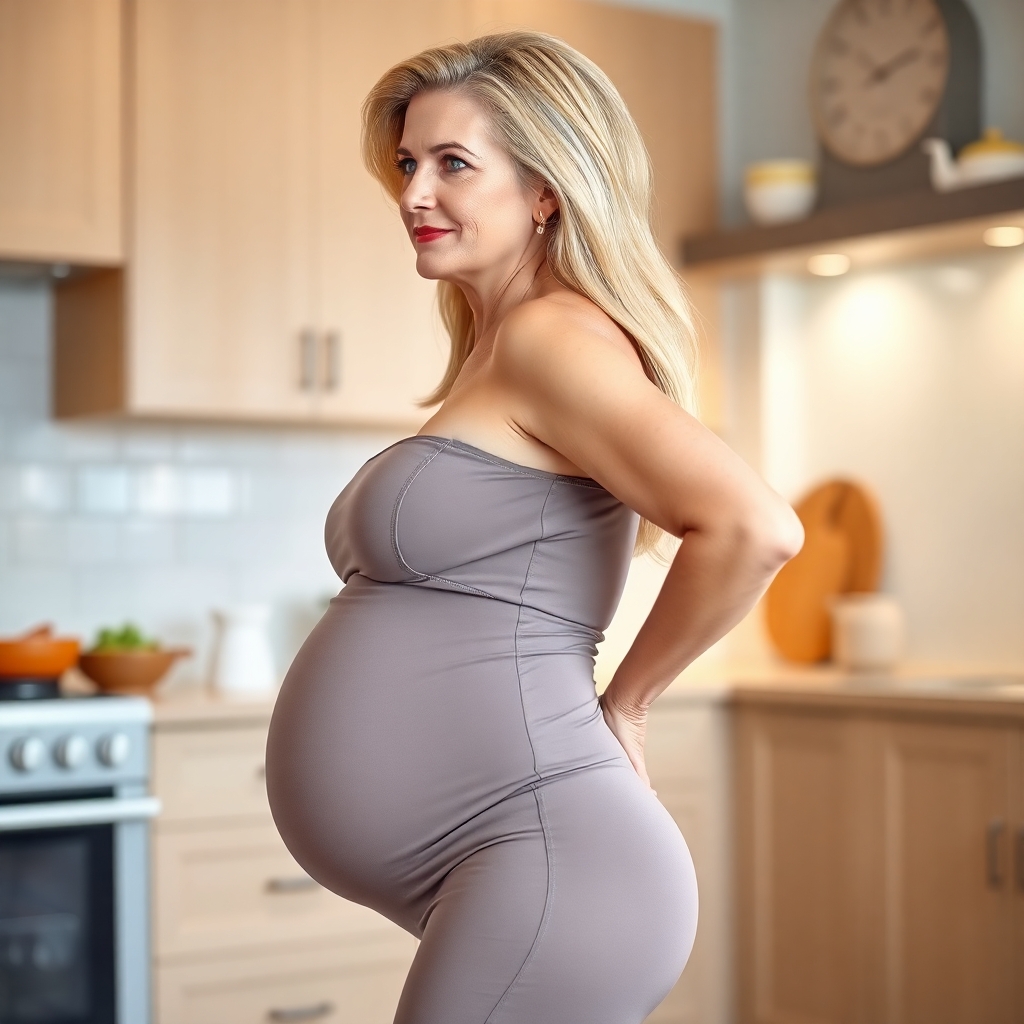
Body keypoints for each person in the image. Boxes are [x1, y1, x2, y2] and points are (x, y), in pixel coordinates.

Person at [266, 31, 803, 1024]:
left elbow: (752, 525)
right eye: (407, 163)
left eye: (452, 164)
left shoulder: (552, 338)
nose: (413, 193)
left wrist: (627, 702)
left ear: (545, 190)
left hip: (557, 859)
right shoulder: (502, 349)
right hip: (514, 862)